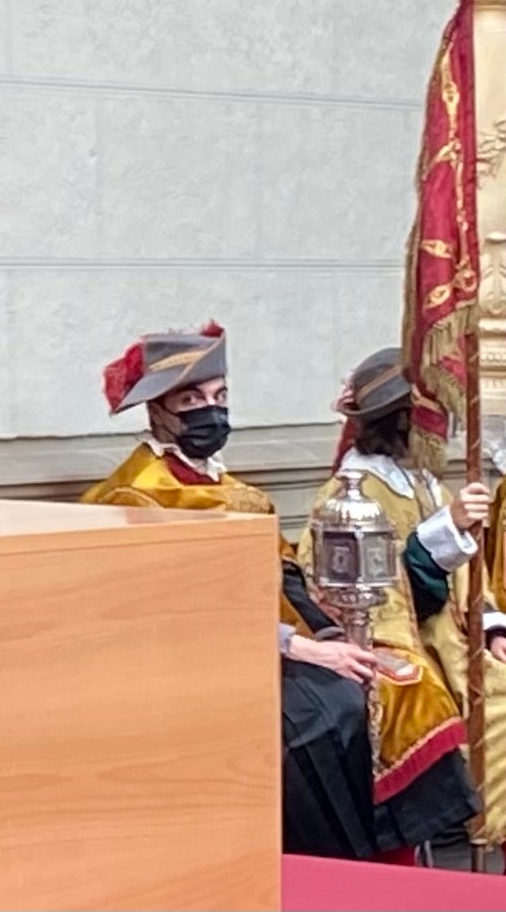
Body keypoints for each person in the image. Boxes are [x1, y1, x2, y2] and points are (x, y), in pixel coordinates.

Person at [79, 326, 400, 858]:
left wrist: (330, 636)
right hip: (184, 660)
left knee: (353, 691)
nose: (212, 411)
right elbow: (174, 606)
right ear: (158, 411)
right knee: (312, 717)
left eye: (220, 396)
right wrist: (297, 647)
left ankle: (364, 867)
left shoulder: (234, 490)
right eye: (192, 401)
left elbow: (284, 573)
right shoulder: (136, 496)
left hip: (256, 645)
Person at [294, 347, 495, 855]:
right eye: (435, 415)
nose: (445, 428)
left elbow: (470, 583)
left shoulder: (426, 484)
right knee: (432, 696)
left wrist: (492, 626)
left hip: (452, 635)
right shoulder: (350, 494)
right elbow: (368, 596)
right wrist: (446, 531)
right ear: (404, 420)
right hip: (391, 639)